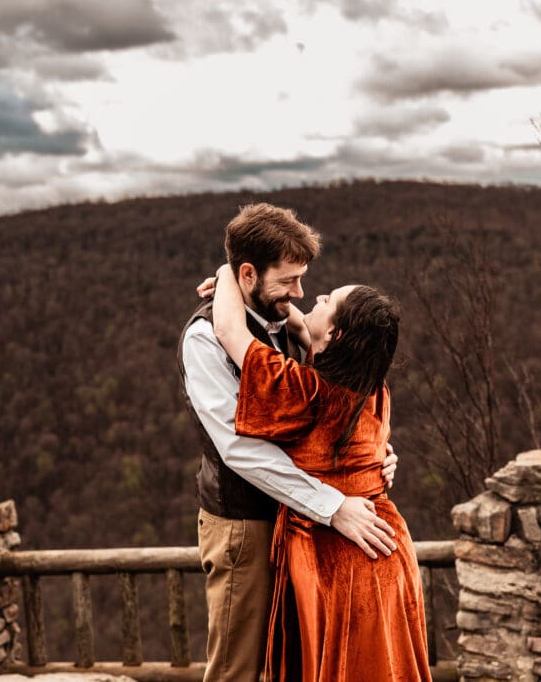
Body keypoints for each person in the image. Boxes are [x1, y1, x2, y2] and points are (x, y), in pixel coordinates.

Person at [177, 203, 399, 682]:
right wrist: (333, 504)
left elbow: (328, 418)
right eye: (289, 280)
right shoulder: (205, 340)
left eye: (304, 280)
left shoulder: (286, 326)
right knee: (238, 668)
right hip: (245, 526)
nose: (299, 293)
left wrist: (372, 458)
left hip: (301, 525)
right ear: (250, 274)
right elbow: (240, 450)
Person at [212, 262, 431, 681]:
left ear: (335, 337)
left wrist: (228, 272)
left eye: (327, 300)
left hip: (336, 560)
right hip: (387, 547)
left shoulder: (305, 390)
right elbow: (298, 324)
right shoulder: (373, 386)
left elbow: (228, 331)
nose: (314, 298)